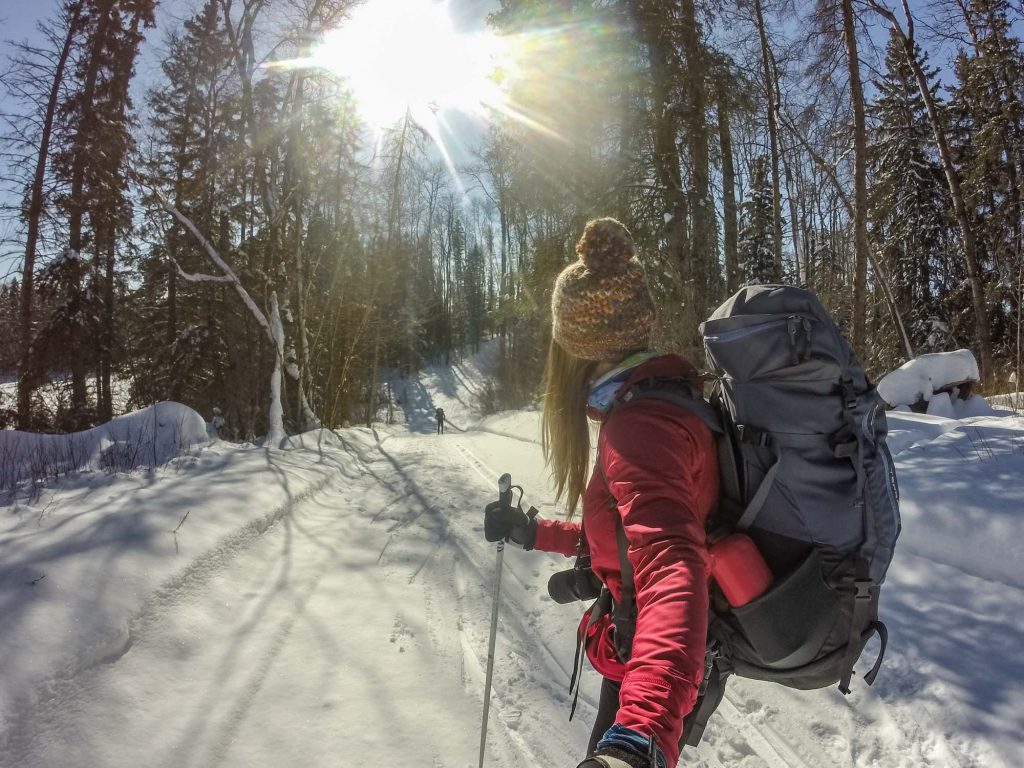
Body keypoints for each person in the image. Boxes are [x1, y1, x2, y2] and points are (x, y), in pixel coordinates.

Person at [483, 218, 718, 768]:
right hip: (640, 656)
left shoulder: (640, 426)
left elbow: (672, 563)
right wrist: (533, 531)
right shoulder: (654, 404)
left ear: (580, 348)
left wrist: (641, 736)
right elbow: (626, 531)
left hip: (650, 668)